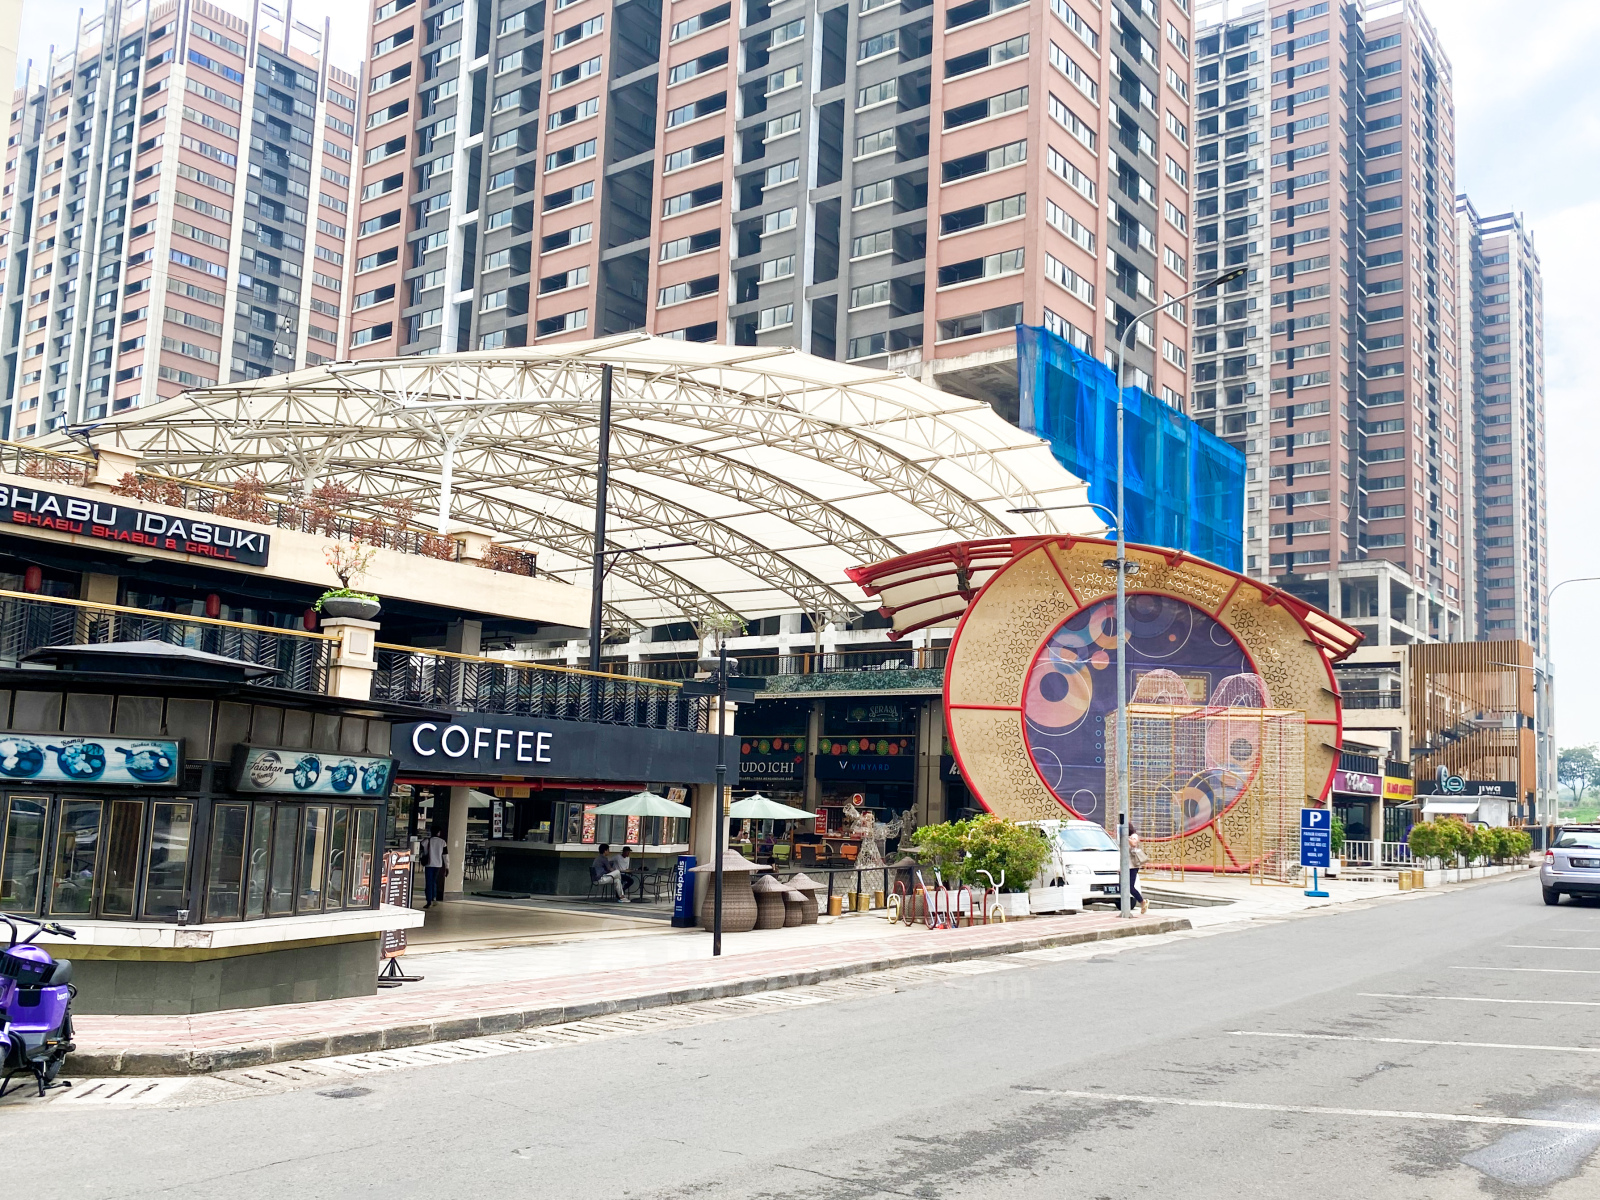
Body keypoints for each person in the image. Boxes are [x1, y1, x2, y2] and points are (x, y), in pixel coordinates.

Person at [422, 827, 448, 908]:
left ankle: (429, 900)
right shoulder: (443, 842)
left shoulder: (426, 841)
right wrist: (447, 866)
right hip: (438, 865)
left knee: (428, 882)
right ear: (438, 833)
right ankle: (434, 898)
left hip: (429, 864)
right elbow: (445, 856)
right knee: (434, 881)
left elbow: (421, 851)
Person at [1128, 825, 1148, 915]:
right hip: (1126, 866)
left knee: (1130, 887)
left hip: (1133, 866)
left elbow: (1133, 843)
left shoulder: (1133, 836)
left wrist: (1127, 839)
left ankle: (1142, 901)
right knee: (1124, 886)